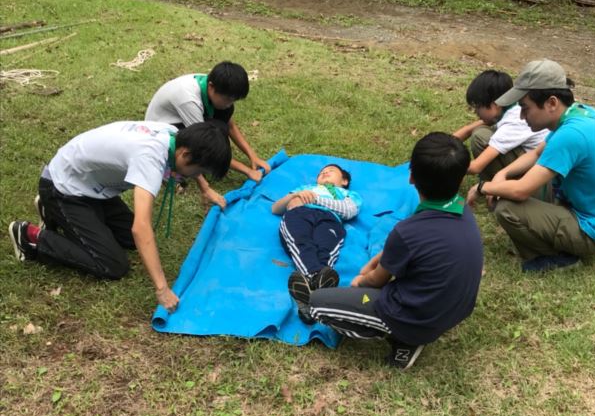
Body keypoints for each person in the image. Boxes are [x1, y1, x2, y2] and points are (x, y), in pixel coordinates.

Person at [289, 133, 483, 370]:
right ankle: (409, 332)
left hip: (416, 317)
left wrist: (360, 281)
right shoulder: (464, 212)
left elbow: (375, 280)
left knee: (318, 303)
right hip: (456, 310)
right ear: (462, 176)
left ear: (410, 176)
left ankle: (405, 339)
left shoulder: (408, 231)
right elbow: (401, 255)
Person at [8, 120, 231, 312]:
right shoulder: (150, 157)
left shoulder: (173, 135)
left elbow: (190, 164)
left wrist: (205, 188)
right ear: (185, 154)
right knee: (112, 264)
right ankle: (31, 237)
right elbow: (141, 227)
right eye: (199, 171)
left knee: (128, 240)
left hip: (93, 187)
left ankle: (55, 213)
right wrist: (162, 288)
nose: (198, 175)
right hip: (64, 187)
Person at [467, 59, 595, 273]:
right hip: (570, 200)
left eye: (525, 108)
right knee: (507, 189)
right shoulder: (578, 113)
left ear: (552, 103)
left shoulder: (571, 135)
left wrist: (483, 187)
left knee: (507, 207)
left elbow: (520, 191)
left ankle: (558, 256)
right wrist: (502, 173)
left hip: (590, 229)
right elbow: (537, 152)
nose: (521, 115)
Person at [145, 62, 270, 208]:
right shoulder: (189, 101)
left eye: (233, 100)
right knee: (205, 148)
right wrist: (247, 171)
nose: (230, 104)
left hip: (180, 119)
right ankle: (169, 169)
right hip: (161, 128)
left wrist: (253, 156)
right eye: (228, 99)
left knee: (221, 123)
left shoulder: (216, 86)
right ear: (211, 87)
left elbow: (230, 125)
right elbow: (202, 146)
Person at [272, 163, 362, 322]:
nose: (325, 172)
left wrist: (316, 199)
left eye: (331, 171)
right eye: (322, 172)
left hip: (330, 219)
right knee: (301, 243)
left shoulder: (346, 194)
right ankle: (318, 287)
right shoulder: (306, 188)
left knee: (325, 249)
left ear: (344, 181)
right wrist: (293, 197)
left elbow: (348, 211)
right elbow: (276, 208)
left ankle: (309, 299)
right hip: (299, 214)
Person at [453, 69, 548, 183]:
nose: (475, 112)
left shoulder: (513, 121)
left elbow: (475, 167)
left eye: (477, 107)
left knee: (480, 136)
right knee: (481, 129)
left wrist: (441, 165)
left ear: (495, 104)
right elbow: (469, 129)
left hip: (537, 176)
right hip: (536, 162)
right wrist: (441, 146)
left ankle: (494, 187)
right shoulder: (511, 107)